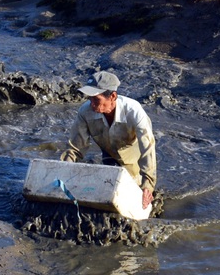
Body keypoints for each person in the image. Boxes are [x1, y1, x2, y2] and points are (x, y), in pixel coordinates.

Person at [61, 70, 157, 210]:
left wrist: (148, 183)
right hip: (108, 153)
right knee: (105, 194)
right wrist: (64, 171)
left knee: (135, 198)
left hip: (132, 157)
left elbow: (148, 148)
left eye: (96, 99)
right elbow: (76, 147)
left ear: (112, 96)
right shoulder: (85, 112)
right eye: (90, 99)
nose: (92, 104)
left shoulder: (134, 112)